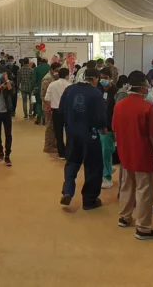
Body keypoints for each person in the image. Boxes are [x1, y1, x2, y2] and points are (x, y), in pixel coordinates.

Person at [112, 72, 153, 240]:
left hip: (125, 153)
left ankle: (124, 217)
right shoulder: (148, 108)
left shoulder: (119, 106)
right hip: (143, 155)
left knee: (127, 186)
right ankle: (143, 228)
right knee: (144, 190)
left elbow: (115, 130)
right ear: (142, 88)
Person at [59, 68, 108, 209]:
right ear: (95, 79)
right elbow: (101, 117)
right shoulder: (96, 93)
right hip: (90, 135)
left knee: (72, 162)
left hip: (72, 134)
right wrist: (103, 128)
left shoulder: (69, 90)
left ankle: (68, 190)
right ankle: (89, 200)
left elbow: (61, 111)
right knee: (93, 167)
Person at [45, 67, 72, 159]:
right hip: (68, 111)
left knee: (58, 132)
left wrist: (49, 109)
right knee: (69, 132)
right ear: (67, 75)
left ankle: (61, 153)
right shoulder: (70, 85)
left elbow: (47, 99)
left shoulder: (52, 84)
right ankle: (69, 152)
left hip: (56, 111)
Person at [98, 67, 118, 189]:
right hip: (99, 125)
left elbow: (117, 112)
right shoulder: (98, 90)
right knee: (101, 151)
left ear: (110, 78)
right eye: (101, 78)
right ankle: (108, 168)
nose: (103, 80)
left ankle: (107, 177)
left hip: (110, 126)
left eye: (105, 78)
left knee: (106, 151)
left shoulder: (116, 92)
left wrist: (115, 129)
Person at [40, 63, 59, 153]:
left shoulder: (54, 78)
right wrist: (49, 106)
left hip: (53, 105)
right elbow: (43, 95)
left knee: (53, 126)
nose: (57, 72)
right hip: (48, 106)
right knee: (49, 127)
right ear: (52, 69)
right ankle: (48, 146)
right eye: (56, 71)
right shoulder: (47, 79)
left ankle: (53, 144)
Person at [32, 58, 51, 125]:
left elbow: (34, 80)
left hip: (39, 88)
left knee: (39, 103)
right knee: (47, 103)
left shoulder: (37, 69)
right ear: (47, 61)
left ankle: (39, 119)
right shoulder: (50, 68)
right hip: (49, 88)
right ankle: (45, 119)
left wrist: (32, 88)